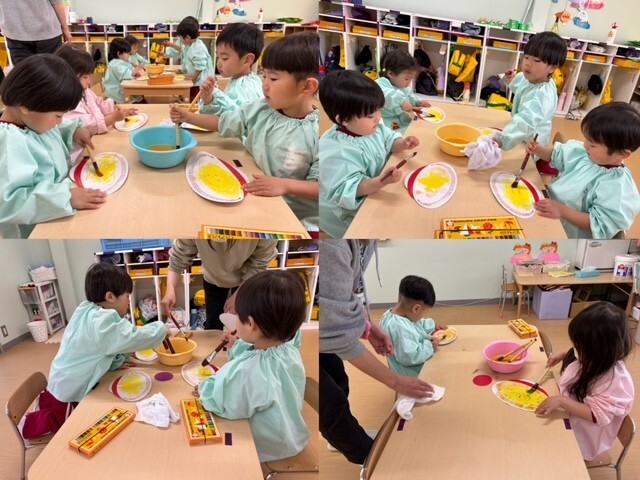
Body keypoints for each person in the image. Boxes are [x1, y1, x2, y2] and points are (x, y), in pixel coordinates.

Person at [170, 31, 320, 230]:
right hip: (254, 194)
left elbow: (322, 188)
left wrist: (284, 185)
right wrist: (187, 117)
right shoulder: (261, 108)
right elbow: (223, 122)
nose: (264, 85)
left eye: (273, 78)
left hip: (292, 216)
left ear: (307, 86)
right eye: (264, 75)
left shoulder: (320, 133)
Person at [21, 263, 169, 439]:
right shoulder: (102, 321)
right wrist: (162, 329)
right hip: (69, 393)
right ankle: (31, 424)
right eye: (127, 296)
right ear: (110, 296)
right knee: (75, 430)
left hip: (60, 379)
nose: (129, 301)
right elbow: (131, 337)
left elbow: (100, 348)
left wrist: (114, 362)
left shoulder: (86, 309)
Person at [319, 240, 434, 465]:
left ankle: (340, 436)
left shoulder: (365, 243)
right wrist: (395, 381)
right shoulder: (334, 246)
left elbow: (351, 291)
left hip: (323, 327)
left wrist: (368, 327)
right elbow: (340, 335)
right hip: (319, 326)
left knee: (338, 381)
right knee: (330, 404)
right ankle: (371, 460)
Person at [198, 270, 309, 462]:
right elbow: (254, 354)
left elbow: (225, 403)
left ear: (250, 323)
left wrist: (205, 387)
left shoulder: (250, 370)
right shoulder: (290, 348)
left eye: (237, 316)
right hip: (291, 433)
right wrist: (236, 344)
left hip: (268, 446)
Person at [0, 54, 107, 239]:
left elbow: (53, 133)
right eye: (58, 116)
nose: (60, 122)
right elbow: (9, 203)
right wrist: (66, 197)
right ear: (26, 106)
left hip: (61, 210)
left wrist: (74, 131)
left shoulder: (33, 120)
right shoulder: (10, 142)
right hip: (37, 229)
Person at [319, 70, 420, 238]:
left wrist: (403, 144)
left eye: (379, 110)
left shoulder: (371, 127)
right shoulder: (336, 151)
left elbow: (389, 140)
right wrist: (381, 181)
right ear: (343, 120)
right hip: (345, 212)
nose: (378, 118)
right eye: (371, 115)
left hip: (374, 187)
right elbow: (351, 190)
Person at [535, 302, 634, 461]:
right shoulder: (596, 355)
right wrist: (564, 354)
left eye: (579, 346)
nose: (576, 349)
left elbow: (596, 415)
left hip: (584, 434)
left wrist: (562, 401)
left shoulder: (615, 380)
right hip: (570, 416)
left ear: (600, 349)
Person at [527, 102, 640, 239]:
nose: (585, 145)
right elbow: (555, 155)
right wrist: (539, 150)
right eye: (587, 139)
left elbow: (597, 224)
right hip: (546, 207)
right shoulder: (586, 153)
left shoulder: (618, 190)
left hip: (567, 235)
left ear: (622, 154)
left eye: (592, 144)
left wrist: (561, 210)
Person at [160, 239, 278, 330]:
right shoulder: (195, 223)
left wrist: (239, 295)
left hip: (247, 280)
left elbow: (259, 264)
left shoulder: (261, 226)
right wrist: (170, 288)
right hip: (212, 279)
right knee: (213, 326)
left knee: (243, 327)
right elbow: (178, 258)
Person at [493, 31, 567, 176]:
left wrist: (502, 140)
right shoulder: (532, 78)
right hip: (519, 133)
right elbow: (521, 87)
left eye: (537, 60)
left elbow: (526, 121)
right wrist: (512, 79)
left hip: (531, 143)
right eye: (526, 57)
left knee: (509, 168)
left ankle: (541, 168)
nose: (527, 63)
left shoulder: (542, 95)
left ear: (552, 67)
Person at [55, 45, 137, 152]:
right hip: (80, 152)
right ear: (66, 76)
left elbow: (98, 103)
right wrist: (112, 118)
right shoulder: (66, 101)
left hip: (95, 140)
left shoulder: (84, 90)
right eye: (85, 77)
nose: (89, 82)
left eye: (90, 76)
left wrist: (114, 107)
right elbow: (86, 125)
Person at [380, 275, 444, 377]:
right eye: (425, 312)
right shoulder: (399, 328)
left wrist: (433, 325)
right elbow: (410, 357)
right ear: (416, 309)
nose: (424, 315)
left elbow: (416, 324)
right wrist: (430, 346)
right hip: (410, 375)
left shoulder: (394, 314)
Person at [198, 22, 264, 116]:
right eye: (218, 57)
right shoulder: (246, 79)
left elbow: (234, 118)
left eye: (224, 58)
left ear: (247, 60)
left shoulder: (246, 87)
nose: (219, 63)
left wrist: (211, 98)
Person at [0, 0, 72, 64]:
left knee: (24, 73)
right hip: (47, 31)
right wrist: (65, 28)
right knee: (52, 72)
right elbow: (56, 2)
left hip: (15, 31)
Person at [375, 48, 431, 132]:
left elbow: (410, 96)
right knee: (399, 134)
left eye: (411, 79)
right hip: (388, 120)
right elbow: (388, 95)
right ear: (391, 74)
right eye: (407, 79)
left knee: (419, 128)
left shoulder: (402, 86)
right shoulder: (381, 84)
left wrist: (418, 101)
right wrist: (402, 101)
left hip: (402, 117)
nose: (409, 82)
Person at [165, 16, 215, 99]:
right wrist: (182, 70)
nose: (180, 40)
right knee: (189, 93)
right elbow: (183, 52)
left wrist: (192, 77)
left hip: (201, 82)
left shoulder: (197, 48)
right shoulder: (189, 45)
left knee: (196, 98)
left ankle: (192, 103)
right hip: (196, 80)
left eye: (180, 37)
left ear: (187, 37)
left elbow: (200, 66)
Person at [103, 38, 144, 104]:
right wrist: (137, 68)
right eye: (127, 53)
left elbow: (129, 71)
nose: (129, 56)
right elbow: (126, 74)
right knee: (140, 101)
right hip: (116, 96)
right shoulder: (115, 64)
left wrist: (135, 74)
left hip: (121, 91)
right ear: (119, 53)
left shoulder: (123, 62)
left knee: (141, 100)